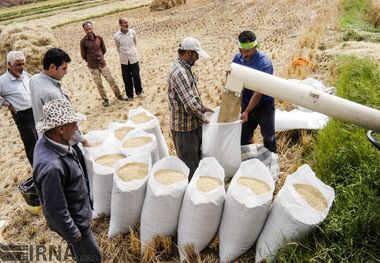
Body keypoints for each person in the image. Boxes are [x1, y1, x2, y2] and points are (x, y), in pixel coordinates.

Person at [33, 99, 101, 263]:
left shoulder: (49, 141)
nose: (77, 127)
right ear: (61, 129)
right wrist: (74, 234)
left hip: (77, 212)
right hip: (76, 224)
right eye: (74, 124)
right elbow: (56, 209)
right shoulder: (52, 167)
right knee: (92, 258)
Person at [168, 37, 213, 179]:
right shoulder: (179, 72)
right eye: (196, 54)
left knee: (198, 161)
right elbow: (189, 105)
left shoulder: (186, 68)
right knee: (190, 169)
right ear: (188, 53)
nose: (198, 57)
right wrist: (204, 119)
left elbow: (191, 96)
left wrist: (202, 107)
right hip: (184, 130)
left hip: (192, 126)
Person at [232, 30, 277, 153]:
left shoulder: (264, 64)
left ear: (255, 47)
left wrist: (246, 111)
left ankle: (272, 168)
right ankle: (247, 164)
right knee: (243, 139)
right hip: (246, 104)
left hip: (264, 107)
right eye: (241, 50)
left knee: (269, 139)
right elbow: (234, 83)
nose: (243, 54)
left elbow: (258, 92)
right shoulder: (238, 58)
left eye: (246, 51)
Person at [0, 51, 38, 166]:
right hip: (23, 117)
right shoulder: (2, 81)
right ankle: (38, 172)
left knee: (43, 140)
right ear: (9, 64)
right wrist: (6, 103)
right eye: (18, 65)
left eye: (23, 64)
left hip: (36, 110)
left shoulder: (25, 75)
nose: (21, 67)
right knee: (32, 144)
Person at [80, 21, 128, 107]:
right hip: (93, 67)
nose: (89, 30)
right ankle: (105, 99)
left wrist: (100, 57)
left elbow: (104, 49)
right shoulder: (83, 42)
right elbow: (83, 55)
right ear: (84, 30)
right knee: (99, 84)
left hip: (102, 63)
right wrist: (91, 60)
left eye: (90, 28)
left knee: (111, 80)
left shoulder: (99, 38)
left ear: (92, 28)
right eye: (86, 29)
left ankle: (119, 95)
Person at [114, 17, 143, 100]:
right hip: (124, 60)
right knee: (126, 78)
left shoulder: (132, 32)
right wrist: (123, 55)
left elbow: (135, 43)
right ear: (120, 24)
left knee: (136, 76)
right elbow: (117, 48)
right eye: (124, 23)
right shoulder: (116, 36)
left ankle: (139, 92)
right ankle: (130, 95)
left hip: (133, 58)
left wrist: (132, 52)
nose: (127, 24)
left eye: (127, 22)